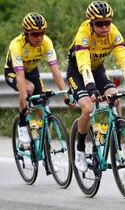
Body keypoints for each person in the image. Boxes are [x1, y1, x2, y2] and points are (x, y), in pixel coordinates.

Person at [67, 1, 125, 173]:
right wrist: (91, 88)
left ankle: (116, 149)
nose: (104, 27)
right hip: (78, 72)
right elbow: (84, 65)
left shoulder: (113, 33)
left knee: (115, 98)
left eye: (107, 22)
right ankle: (80, 149)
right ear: (91, 23)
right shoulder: (84, 34)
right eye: (99, 23)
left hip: (97, 70)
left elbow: (123, 61)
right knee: (88, 108)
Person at [4, 12, 73, 145]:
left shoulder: (46, 42)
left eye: (42, 32)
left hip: (32, 72)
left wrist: (65, 95)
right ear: (26, 33)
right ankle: (22, 125)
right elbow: (20, 77)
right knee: (29, 88)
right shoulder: (16, 45)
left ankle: (45, 144)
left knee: (43, 107)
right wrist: (25, 104)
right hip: (13, 72)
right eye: (35, 34)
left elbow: (55, 71)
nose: (39, 37)